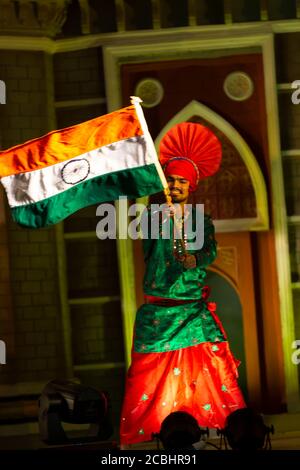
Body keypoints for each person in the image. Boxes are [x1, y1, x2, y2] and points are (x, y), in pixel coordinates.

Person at [120, 122, 246, 446]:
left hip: (191, 310)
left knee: (212, 369)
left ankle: (222, 430)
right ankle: (155, 437)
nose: (175, 185)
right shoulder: (151, 217)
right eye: (171, 180)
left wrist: (196, 258)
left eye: (181, 182)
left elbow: (209, 250)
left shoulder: (200, 219)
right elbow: (148, 243)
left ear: (191, 187)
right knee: (146, 380)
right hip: (160, 312)